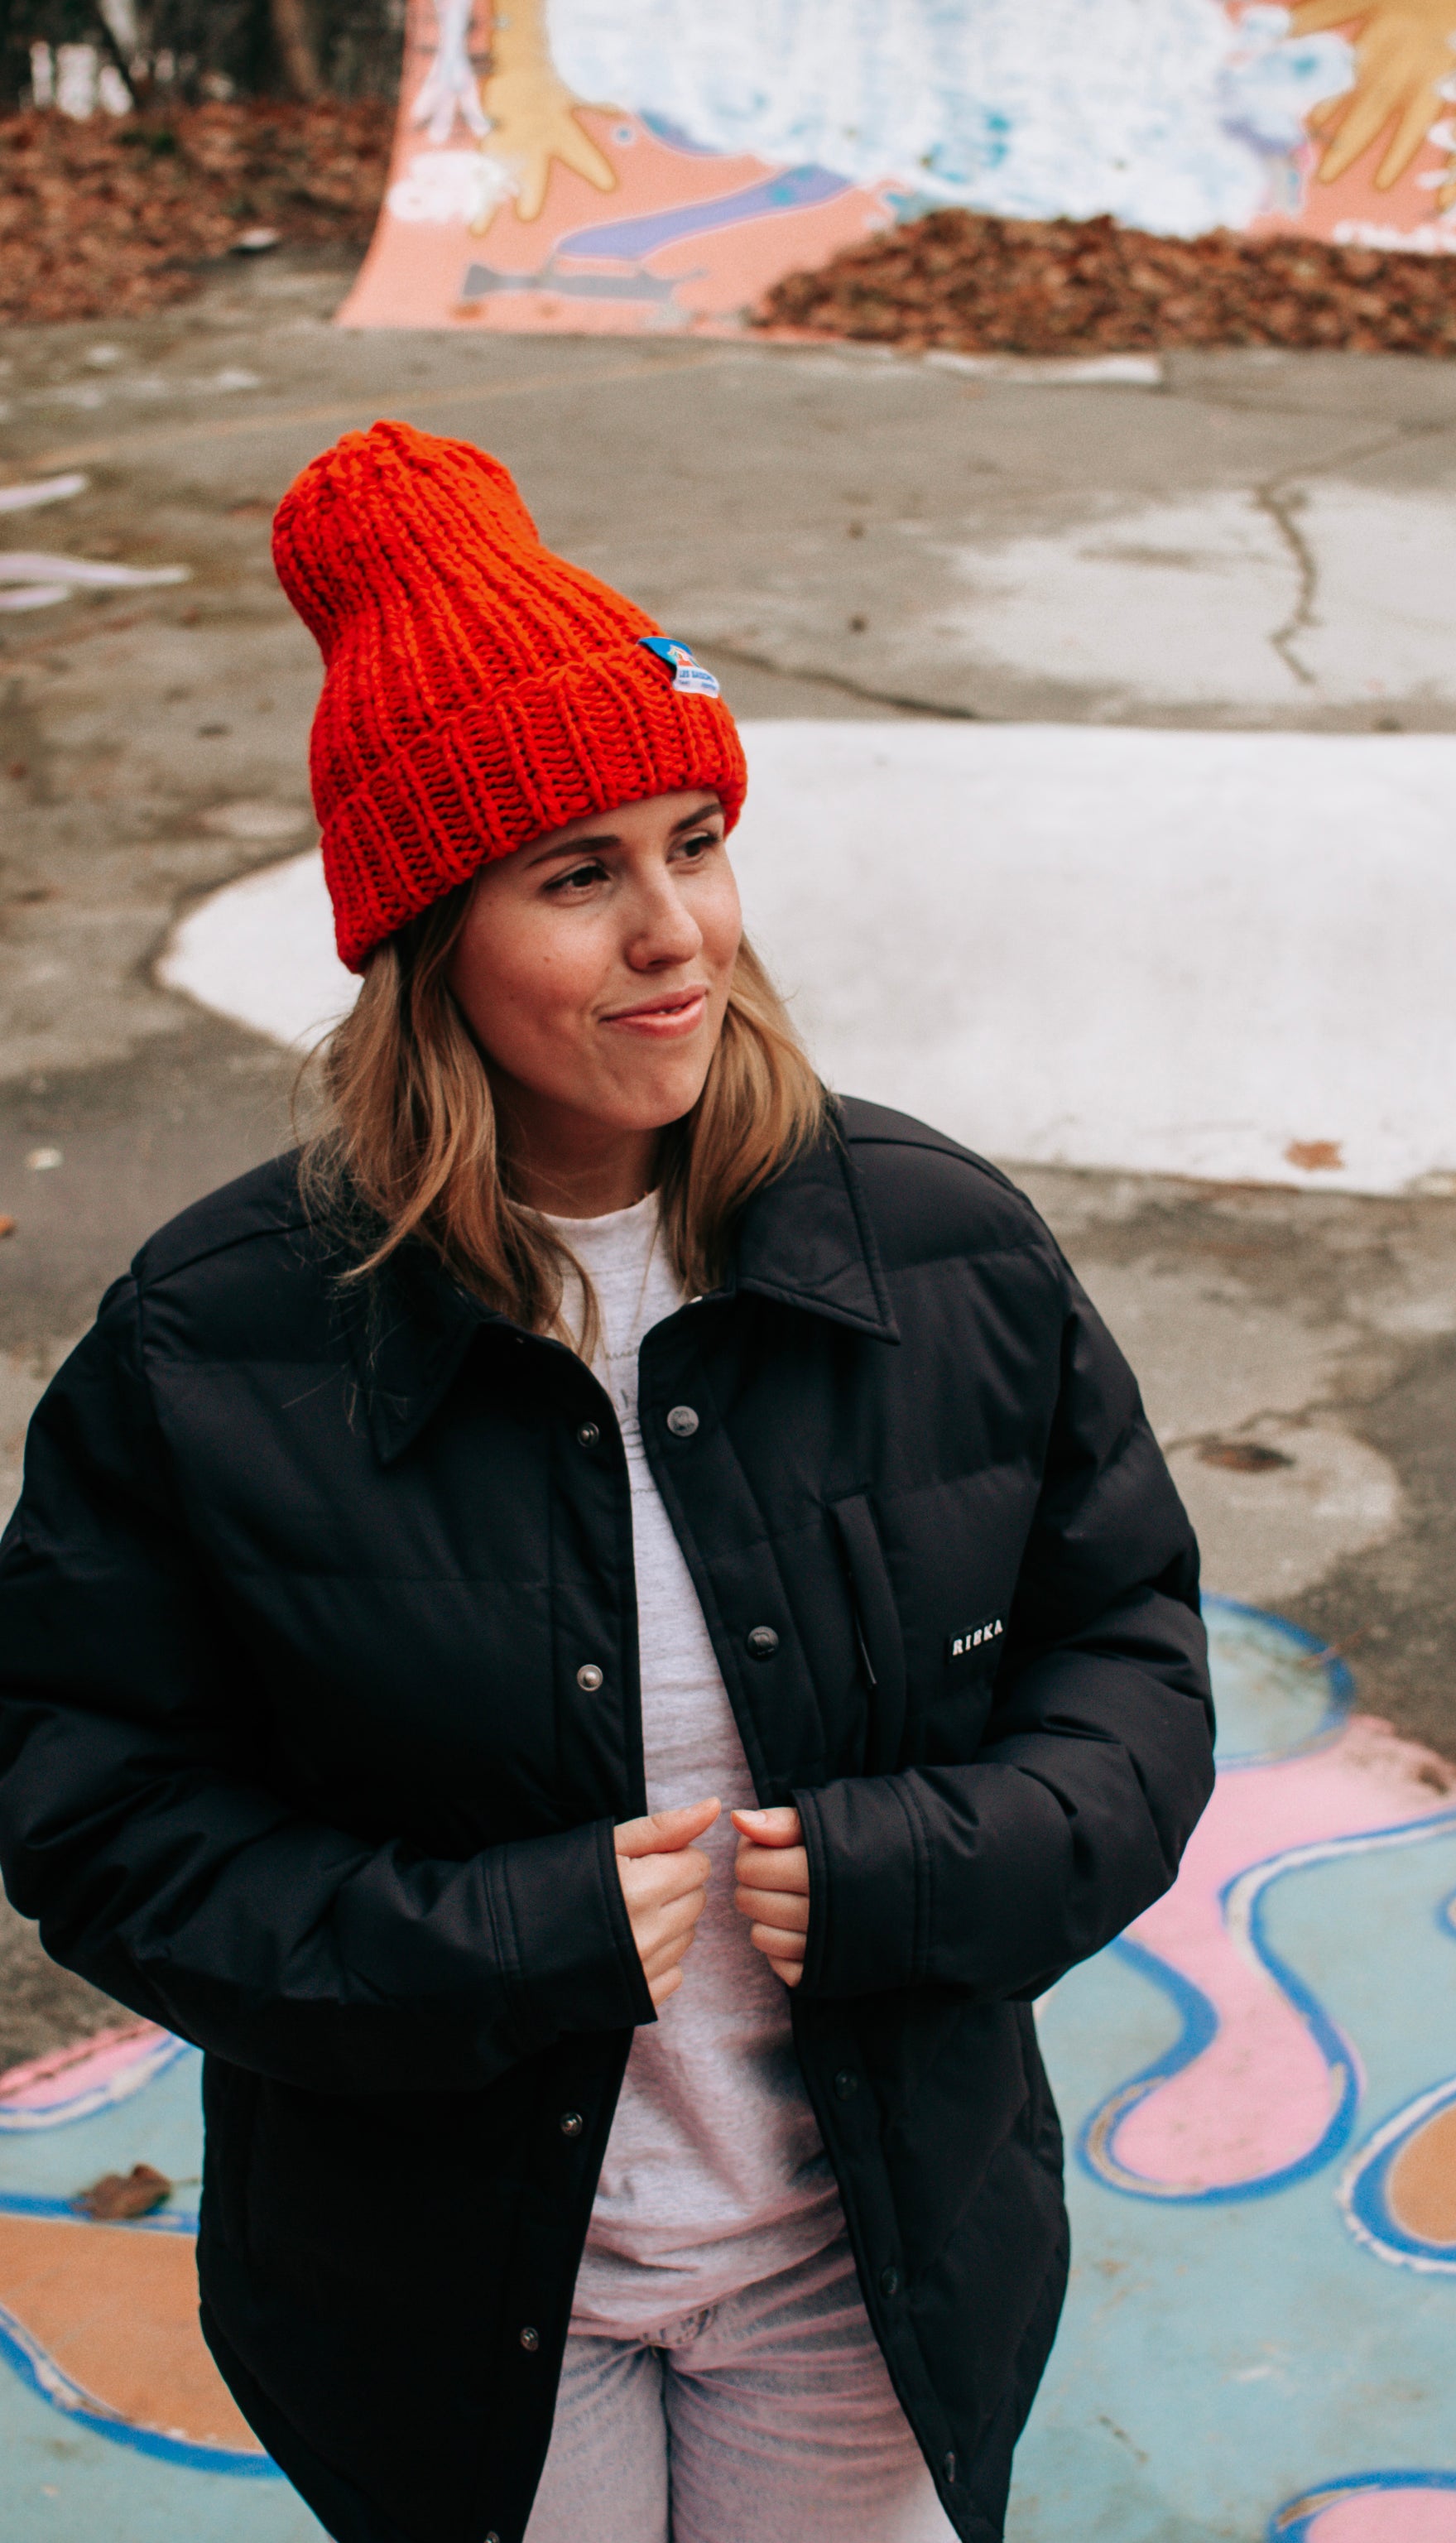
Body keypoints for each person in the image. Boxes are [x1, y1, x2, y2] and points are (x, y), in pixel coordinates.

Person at [0, 422, 1213, 2543]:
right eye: (576, 875)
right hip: (453, 2304)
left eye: (694, 843)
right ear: (427, 936)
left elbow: (1127, 1662)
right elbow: (92, 1808)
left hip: (863, 2267)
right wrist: (485, 1941)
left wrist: (919, 1865)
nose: (677, 937)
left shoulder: (938, 1252)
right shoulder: (218, 1342)